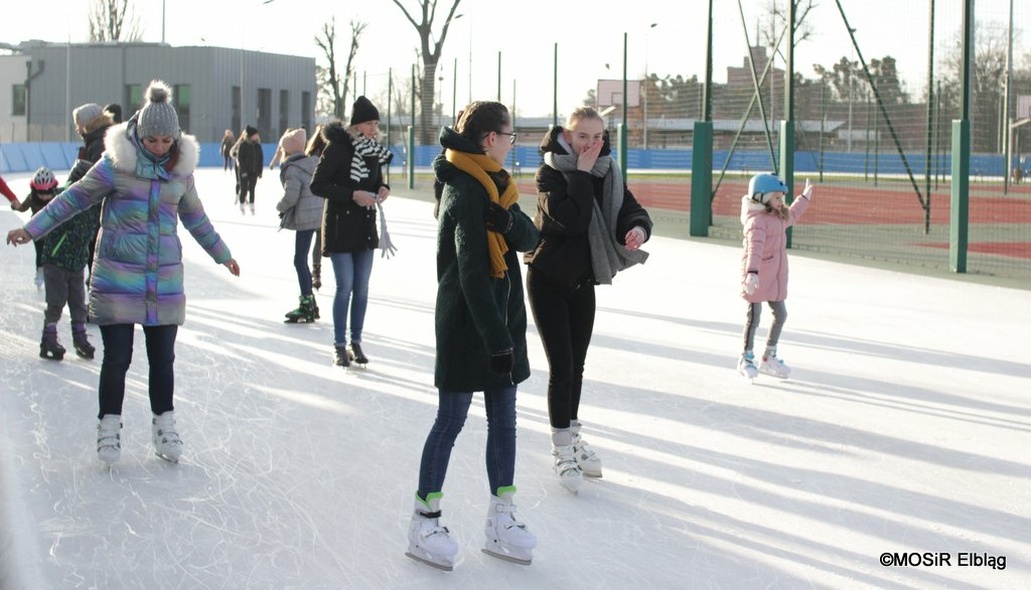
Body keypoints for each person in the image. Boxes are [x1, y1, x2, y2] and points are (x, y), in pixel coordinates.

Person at [6, 80, 241, 465]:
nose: (161, 147)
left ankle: (164, 425)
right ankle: (109, 428)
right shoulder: (116, 165)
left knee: (163, 357)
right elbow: (72, 199)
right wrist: (31, 229)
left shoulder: (180, 172)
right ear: (140, 135)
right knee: (117, 358)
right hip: (118, 278)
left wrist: (222, 254)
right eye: (154, 141)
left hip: (163, 280)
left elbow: (196, 217)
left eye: (168, 141)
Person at [405, 101, 539, 571]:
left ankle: (501, 517)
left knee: (504, 420)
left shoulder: (498, 187)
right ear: (489, 139)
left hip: (502, 323)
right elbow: (470, 275)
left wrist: (509, 222)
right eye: (509, 135)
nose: (512, 142)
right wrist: (496, 339)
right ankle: (425, 519)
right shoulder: (465, 190)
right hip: (469, 326)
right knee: (451, 419)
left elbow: (530, 238)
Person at [525, 106, 652, 493]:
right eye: (584, 137)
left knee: (577, 366)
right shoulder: (550, 172)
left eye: (598, 138)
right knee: (561, 367)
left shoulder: (607, 171)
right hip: (547, 279)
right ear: (568, 134)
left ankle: (572, 433)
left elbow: (630, 208)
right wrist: (579, 173)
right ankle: (561, 448)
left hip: (583, 281)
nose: (591, 145)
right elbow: (570, 221)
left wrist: (637, 229)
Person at [310, 97, 392, 368]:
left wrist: (383, 188)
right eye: (370, 123)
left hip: (365, 228)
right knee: (345, 286)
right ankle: (338, 344)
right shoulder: (337, 148)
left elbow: (377, 179)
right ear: (357, 124)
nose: (374, 128)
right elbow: (318, 185)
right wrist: (351, 194)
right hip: (340, 226)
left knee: (362, 288)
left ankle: (356, 341)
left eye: (376, 123)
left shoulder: (371, 149)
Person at [736, 173, 813, 381]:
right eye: (777, 197)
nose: (781, 202)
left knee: (781, 314)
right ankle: (746, 358)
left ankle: (769, 357)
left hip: (776, 276)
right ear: (762, 197)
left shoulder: (778, 216)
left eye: (782, 198)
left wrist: (804, 198)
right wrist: (751, 273)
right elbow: (754, 248)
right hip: (757, 276)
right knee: (754, 317)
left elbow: (794, 215)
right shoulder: (757, 221)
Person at [18, 166, 97, 361]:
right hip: (56, 259)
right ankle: (49, 340)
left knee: (78, 304)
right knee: (56, 302)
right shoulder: (62, 197)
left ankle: (80, 338)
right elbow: (46, 216)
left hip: (77, 261)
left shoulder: (96, 202)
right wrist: (28, 232)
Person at [274, 127, 322, 323]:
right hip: (318, 215)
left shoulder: (292, 169)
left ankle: (307, 305)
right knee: (303, 259)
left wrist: (280, 207)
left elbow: (291, 196)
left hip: (304, 217)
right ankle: (312, 304)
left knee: (299, 260)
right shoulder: (312, 163)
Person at [68, 102, 116, 280]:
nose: (76, 128)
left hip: (100, 210)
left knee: (96, 255)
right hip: (96, 210)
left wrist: (81, 170)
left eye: (78, 122)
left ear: (88, 122)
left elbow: (100, 178)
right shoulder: (95, 140)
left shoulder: (99, 142)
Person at [15, 168, 61, 289]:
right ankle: (39, 273)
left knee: (54, 255)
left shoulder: (58, 198)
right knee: (40, 254)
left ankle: (53, 275)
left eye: (47, 193)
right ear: (35, 191)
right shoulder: (32, 198)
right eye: (41, 193)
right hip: (37, 234)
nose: (44, 197)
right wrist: (15, 206)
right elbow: (23, 207)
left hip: (53, 233)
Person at [305, 125, 327, 290]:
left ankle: (315, 271)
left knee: (317, 240)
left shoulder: (310, 155)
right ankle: (316, 271)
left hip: (310, 206)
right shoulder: (331, 154)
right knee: (322, 239)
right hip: (324, 204)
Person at [235, 125, 263, 214]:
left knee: (252, 189)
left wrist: (260, 171)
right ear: (251, 135)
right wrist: (243, 171)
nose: (257, 136)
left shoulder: (257, 146)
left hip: (254, 171)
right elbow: (240, 159)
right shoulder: (243, 145)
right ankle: (242, 205)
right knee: (243, 189)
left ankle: (252, 205)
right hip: (244, 171)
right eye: (255, 134)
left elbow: (260, 159)